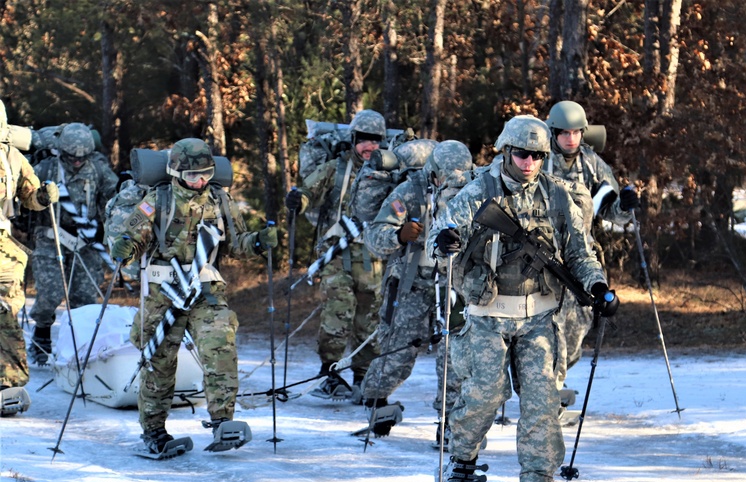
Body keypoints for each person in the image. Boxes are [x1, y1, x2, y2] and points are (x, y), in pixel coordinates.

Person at [426, 115, 617, 482]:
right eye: (520, 154)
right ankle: (461, 458)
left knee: (541, 401)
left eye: (536, 155)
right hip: (485, 314)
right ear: (505, 151)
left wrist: (597, 287)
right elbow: (439, 236)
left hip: (538, 317)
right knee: (485, 394)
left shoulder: (558, 195)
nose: (528, 162)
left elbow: (580, 253)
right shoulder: (478, 192)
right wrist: (443, 242)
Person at [107, 138, 277, 455]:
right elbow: (134, 236)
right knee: (159, 361)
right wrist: (125, 249)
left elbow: (238, 241)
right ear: (175, 172)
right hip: (163, 290)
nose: (199, 181)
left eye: (206, 174)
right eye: (192, 175)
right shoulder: (157, 199)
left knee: (220, 345)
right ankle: (154, 431)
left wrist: (257, 242)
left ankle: (223, 423)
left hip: (205, 288)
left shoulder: (220, 199)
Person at [359, 140, 473, 437]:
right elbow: (375, 234)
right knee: (398, 350)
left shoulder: (473, 190)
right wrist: (399, 235)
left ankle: (450, 421)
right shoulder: (410, 191)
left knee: (453, 353)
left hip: (455, 284)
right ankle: (376, 400)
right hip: (412, 282)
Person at [544, 101, 639, 415]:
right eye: (564, 133)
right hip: (543, 256)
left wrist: (625, 204)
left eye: (576, 133)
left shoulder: (593, 163)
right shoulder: (538, 160)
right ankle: (548, 397)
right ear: (553, 133)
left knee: (575, 333)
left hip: (581, 258)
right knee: (548, 332)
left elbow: (613, 214)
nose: (571, 139)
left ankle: (552, 385)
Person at [285, 109, 385, 402]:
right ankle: (329, 372)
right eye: (365, 140)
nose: (370, 146)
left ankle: (363, 377)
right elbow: (308, 191)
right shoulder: (335, 168)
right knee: (338, 313)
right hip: (335, 255)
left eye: (376, 140)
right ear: (354, 139)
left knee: (369, 320)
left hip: (373, 257)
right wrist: (297, 200)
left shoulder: (388, 173)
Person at [29, 122, 118, 365]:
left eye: (82, 157)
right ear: (61, 151)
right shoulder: (47, 168)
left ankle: (81, 346)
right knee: (50, 292)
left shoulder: (98, 168)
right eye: (71, 157)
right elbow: (26, 194)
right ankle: (42, 333)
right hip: (51, 235)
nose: (77, 162)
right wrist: (38, 197)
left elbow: (111, 198)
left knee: (85, 297)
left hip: (86, 239)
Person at [0, 98, 59, 416]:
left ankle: (7, 385)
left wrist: (43, 196)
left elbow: (30, 195)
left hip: (1, 245)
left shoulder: (11, 156)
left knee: (6, 312)